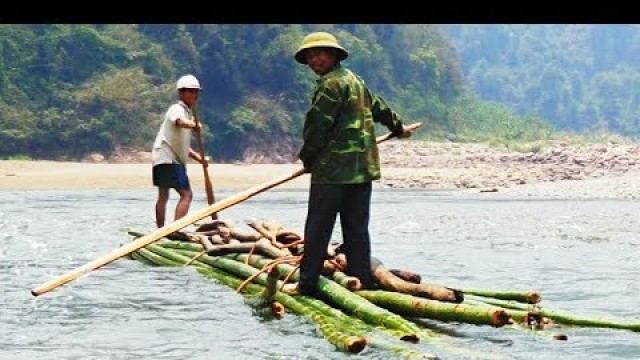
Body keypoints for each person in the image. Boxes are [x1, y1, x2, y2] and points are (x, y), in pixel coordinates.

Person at [286, 32, 416, 297]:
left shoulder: (330, 85)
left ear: (333, 55)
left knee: (318, 230)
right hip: (361, 170)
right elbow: (379, 107)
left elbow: (316, 127)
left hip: (333, 171)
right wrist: (398, 126)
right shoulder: (354, 81)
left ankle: (306, 285)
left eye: (320, 53)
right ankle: (362, 283)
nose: (315, 59)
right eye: (310, 55)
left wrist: (308, 159)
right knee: (356, 230)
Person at [151, 74, 209, 228]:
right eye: (190, 92)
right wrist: (192, 125)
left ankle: (161, 232)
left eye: (196, 92)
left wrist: (199, 158)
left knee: (163, 195)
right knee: (186, 195)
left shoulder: (188, 113)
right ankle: (173, 231)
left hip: (163, 157)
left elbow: (183, 145)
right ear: (181, 93)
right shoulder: (177, 109)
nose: (194, 95)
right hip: (168, 159)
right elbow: (179, 122)